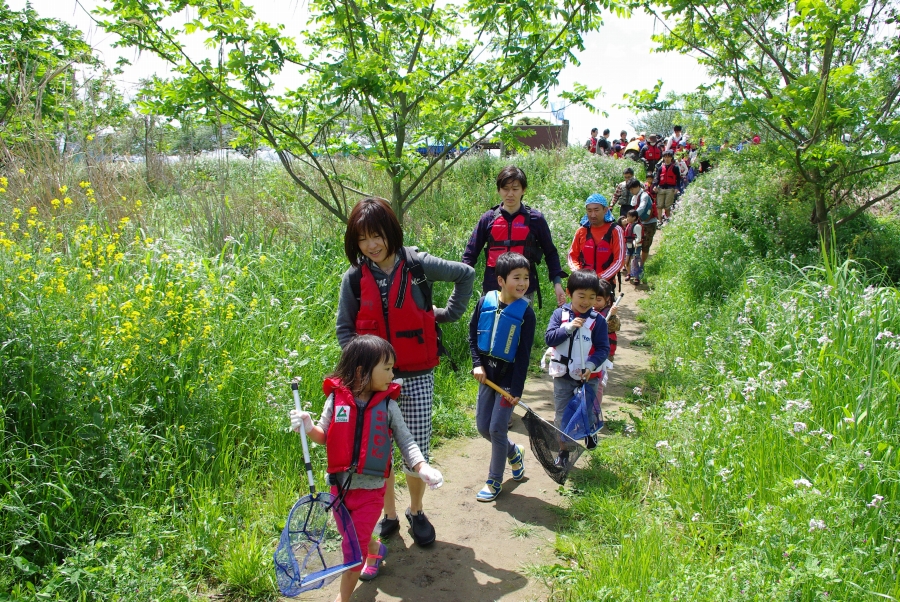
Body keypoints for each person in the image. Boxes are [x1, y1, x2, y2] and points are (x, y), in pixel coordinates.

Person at [336, 197, 474, 547]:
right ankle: (390, 515)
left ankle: (415, 510)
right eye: (364, 238)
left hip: (415, 373)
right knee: (377, 451)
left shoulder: (417, 265)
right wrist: (362, 374)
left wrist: (443, 314)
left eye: (378, 235)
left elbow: (465, 274)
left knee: (416, 448)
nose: (372, 245)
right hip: (372, 383)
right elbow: (345, 331)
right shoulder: (354, 279)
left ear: (391, 232)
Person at [288, 335, 445, 601]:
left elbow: (407, 441)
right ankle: (375, 548)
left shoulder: (388, 405)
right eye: (387, 368)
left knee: (352, 554)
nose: (392, 374)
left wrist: (422, 467)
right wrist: (307, 426)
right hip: (338, 490)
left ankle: (343, 597)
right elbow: (323, 435)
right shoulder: (336, 401)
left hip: (371, 494)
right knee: (352, 537)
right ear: (361, 371)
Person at [469, 252, 536, 502]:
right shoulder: (484, 302)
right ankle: (514, 452)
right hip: (487, 377)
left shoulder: (526, 315)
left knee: (497, 428)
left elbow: (524, 355)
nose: (522, 283)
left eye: (526, 278)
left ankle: (494, 481)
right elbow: (472, 337)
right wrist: (478, 365)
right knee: (483, 428)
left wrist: (515, 390)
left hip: (507, 381)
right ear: (500, 280)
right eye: (516, 278)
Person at [463, 165, 567, 307]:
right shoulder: (488, 219)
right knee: (489, 329)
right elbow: (470, 253)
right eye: (505, 189)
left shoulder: (536, 219)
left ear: (523, 190)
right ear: (499, 190)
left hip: (523, 291)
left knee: (522, 328)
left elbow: (551, 253)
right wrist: (462, 282)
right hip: (493, 290)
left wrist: (557, 284)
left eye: (515, 189)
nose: (510, 194)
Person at [544, 269, 610, 469]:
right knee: (562, 415)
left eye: (592, 297)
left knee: (586, 411)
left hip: (587, 377)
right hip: (563, 375)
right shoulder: (559, 315)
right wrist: (568, 328)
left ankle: (590, 429)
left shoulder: (597, 321)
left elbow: (603, 348)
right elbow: (549, 338)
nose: (586, 301)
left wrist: (591, 366)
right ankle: (564, 451)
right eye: (581, 296)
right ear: (569, 293)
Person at [566, 193, 625, 285]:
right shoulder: (581, 231)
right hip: (582, 282)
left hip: (604, 284)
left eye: (596, 210)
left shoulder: (616, 231)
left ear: (605, 210)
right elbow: (572, 256)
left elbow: (619, 260)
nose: (593, 215)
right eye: (589, 211)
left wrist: (598, 279)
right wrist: (579, 274)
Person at [629, 178, 657, 271]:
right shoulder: (635, 197)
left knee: (645, 244)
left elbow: (641, 208)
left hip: (649, 223)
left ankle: (642, 265)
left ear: (637, 187)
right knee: (637, 242)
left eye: (632, 189)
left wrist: (632, 217)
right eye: (630, 190)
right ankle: (635, 264)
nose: (631, 191)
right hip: (640, 223)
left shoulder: (644, 196)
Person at [652, 150, 682, 222]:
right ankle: (660, 221)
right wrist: (655, 185)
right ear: (663, 158)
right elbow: (657, 178)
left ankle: (668, 221)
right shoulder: (660, 168)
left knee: (667, 206)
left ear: (671, 158)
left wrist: (677, 188)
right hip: (661, 189)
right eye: (665, 157)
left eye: (668, 157)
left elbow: (678, 179)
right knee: (659, 206)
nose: (667, 158)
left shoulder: (675, 168)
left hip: (670, 189)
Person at [623, 209, 644, 284]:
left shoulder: (637, 226)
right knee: (627, 260)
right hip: (628, 246)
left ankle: (637, 277)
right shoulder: (628, 225)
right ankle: (629, 273)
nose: (627, 218)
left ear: (634, 217)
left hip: (636, 246)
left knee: (634, 261)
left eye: (629, 216)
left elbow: (639, 237)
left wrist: (635, 241)